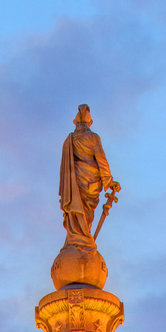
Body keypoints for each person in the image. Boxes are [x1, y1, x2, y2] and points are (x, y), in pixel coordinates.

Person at [59, 104, 119, 244]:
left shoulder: (69, 140)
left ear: (76, 123)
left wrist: (109, 182)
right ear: (89, 123)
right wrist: (109, 181)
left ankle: (78, 238)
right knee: (86, 212)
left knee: (75, 210)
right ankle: (82, 238)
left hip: (74, 183)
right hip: (88, 183)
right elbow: (101, 160)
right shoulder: (93, 138)